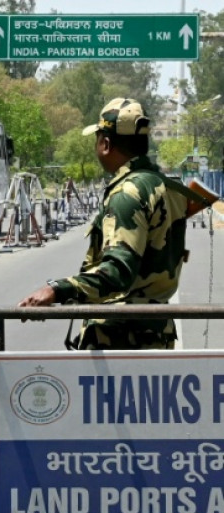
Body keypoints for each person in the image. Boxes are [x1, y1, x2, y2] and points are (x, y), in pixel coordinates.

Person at [18, 97, 188, 350]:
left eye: (97, 139)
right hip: (156, 335)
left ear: (105, 143)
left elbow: (117, 274)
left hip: (120, 340)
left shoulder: (127, 194)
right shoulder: (167, 187)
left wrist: (58, 290)